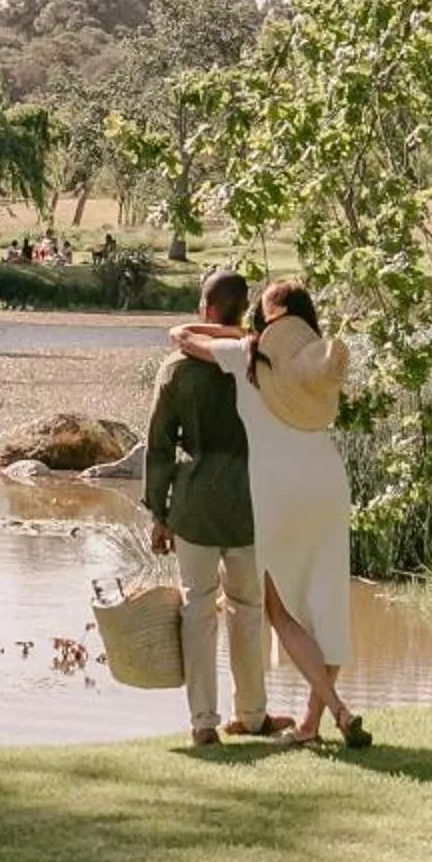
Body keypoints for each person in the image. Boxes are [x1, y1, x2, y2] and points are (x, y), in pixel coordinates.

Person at [171, 277, 367, 747]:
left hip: (279, 491)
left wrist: (242, 334)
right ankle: (310, 724)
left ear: (268, 320)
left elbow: (181, 335)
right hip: (328, 484)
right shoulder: (314, 368)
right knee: (327, 607)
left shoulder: (246, 357)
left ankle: (338, 711)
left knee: (278, 609)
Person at [141, 267, 273, 744]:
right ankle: (252, 714)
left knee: (198, 608)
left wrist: (158, 513)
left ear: (206, 310)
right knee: (248, 608)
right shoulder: (260, 364)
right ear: (242, 310)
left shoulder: (176, 370)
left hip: (195, 500)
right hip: (250, 499)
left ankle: (203, 722)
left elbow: (159, 446)